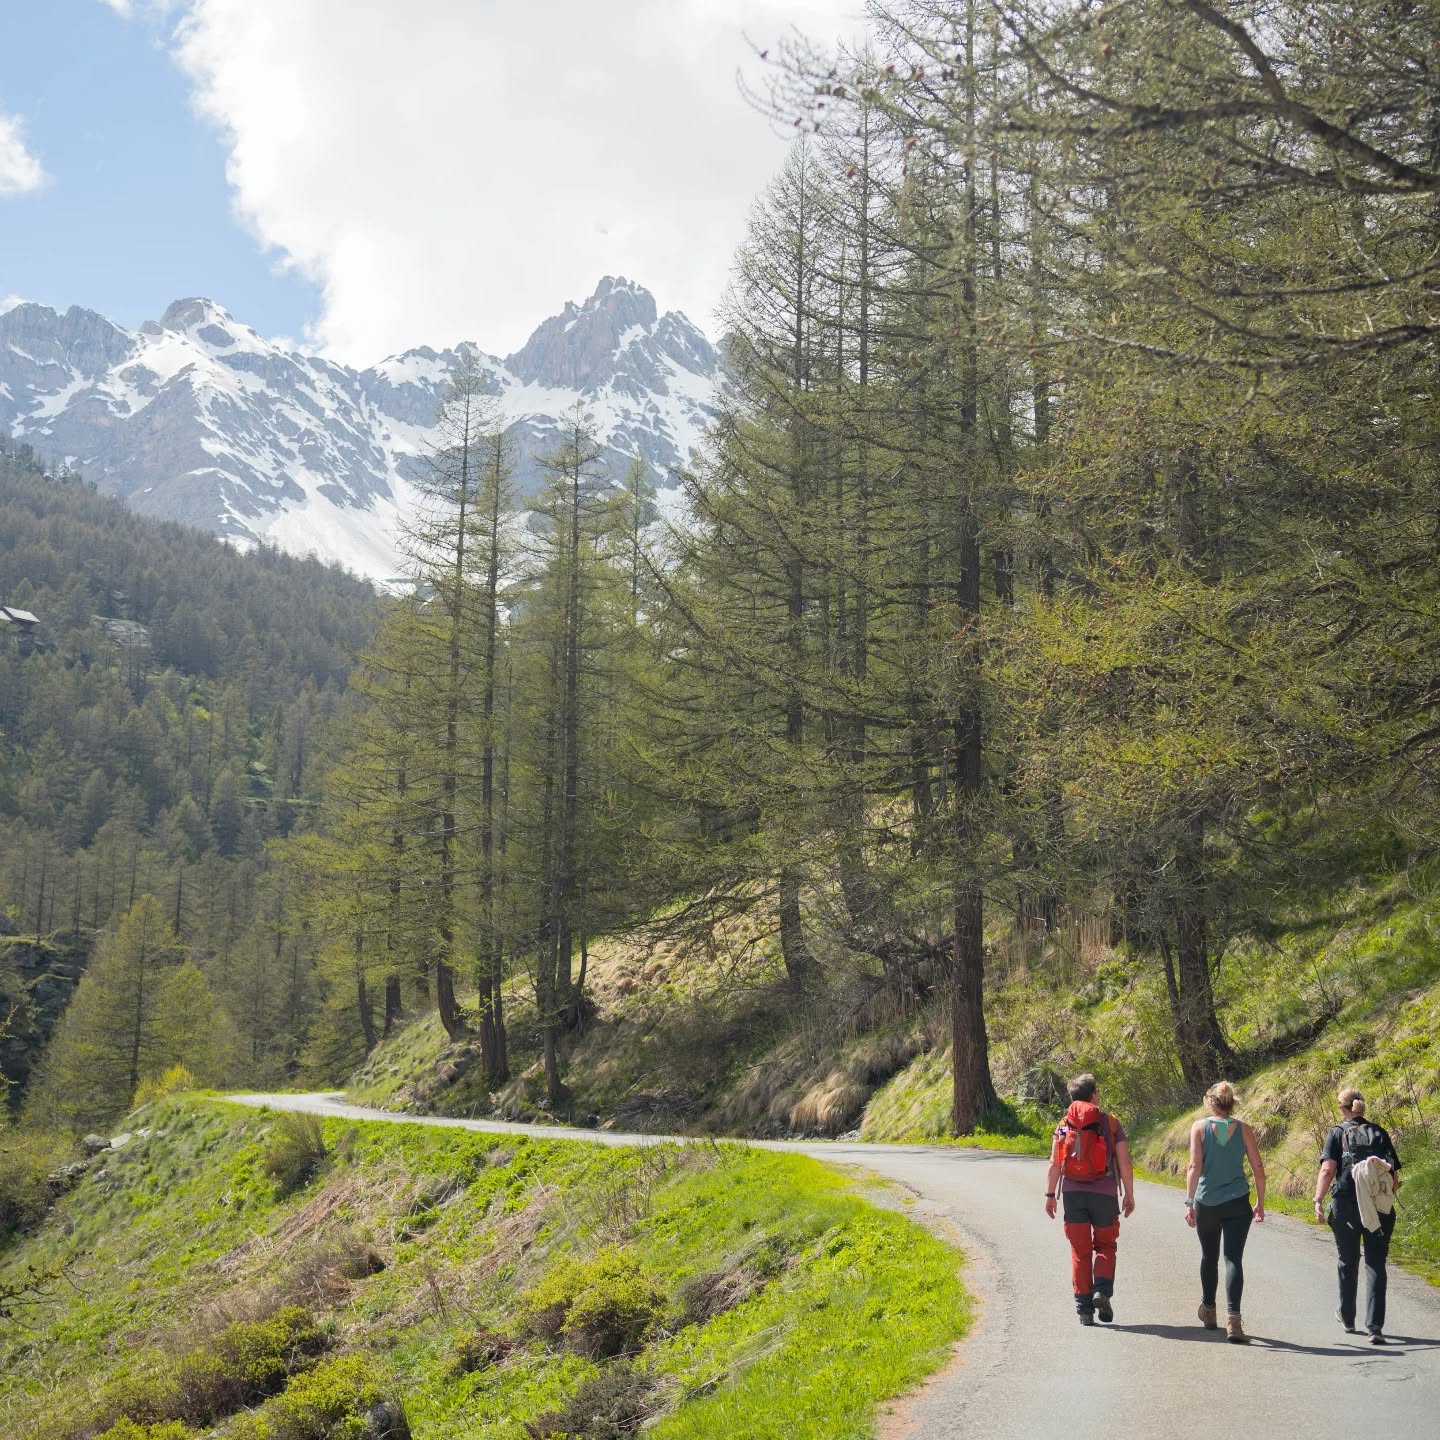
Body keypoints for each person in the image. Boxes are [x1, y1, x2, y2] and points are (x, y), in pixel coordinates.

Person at [1044, 1073, 1136, 1325]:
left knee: (1079, 1251)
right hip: (1105, 1195)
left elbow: (1055, 1163)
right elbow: (1124, 1163)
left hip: (1073, 1196)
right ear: (1094, 1095)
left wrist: (1050, 1195)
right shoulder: (1111, 1123)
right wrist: (1129, 1194)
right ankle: (1101, 1291)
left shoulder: (1064, 1124)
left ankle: (1084, 1310)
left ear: (1072, 1098)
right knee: (1106, 1246)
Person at [1313, 1087, 1402, 1345]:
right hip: (1378, 1208)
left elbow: (1328, 1169)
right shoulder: (1380, 1132)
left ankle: (1348, 1318)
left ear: (1342, 1109)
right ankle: (1375, 1327)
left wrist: (1318, 1199)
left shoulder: (1337, 1133)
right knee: (1375, 1263)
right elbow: (1393, 1176)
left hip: (1347, 1207)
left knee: (1347, 1260)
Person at [1184, 1080, 1265, 1343]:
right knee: (1233, 1260)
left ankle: (1209, 1310)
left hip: (1207, 1202)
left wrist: (1189, 1201)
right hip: (1238, 1203)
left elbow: (1194, 1166)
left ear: (1210, 1102)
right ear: (1231, 1103)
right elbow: (1257, 1167)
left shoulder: (1199, 1127)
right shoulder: (1245, 1130)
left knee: (1209, 1257)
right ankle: (1234, 1321)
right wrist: (1261, 1202)